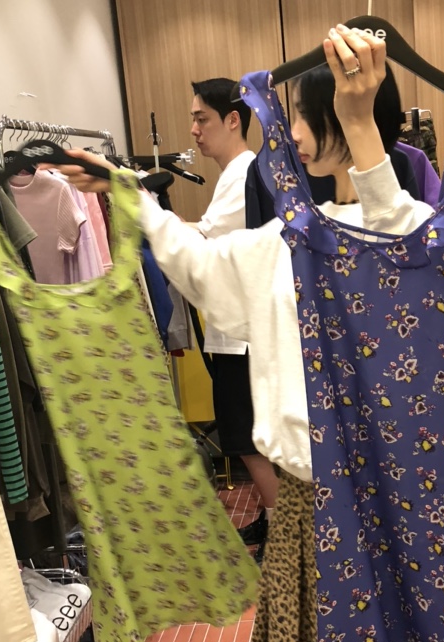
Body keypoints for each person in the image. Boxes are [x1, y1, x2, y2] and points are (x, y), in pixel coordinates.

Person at [49, 25, 444, 642]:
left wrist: (360, 124)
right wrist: (127, 195)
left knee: (424, 622)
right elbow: (198, 267)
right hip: (302, 484)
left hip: (398, 493)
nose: (292, 133)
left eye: (304, 117)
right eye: (295, 116)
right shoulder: (281, 242)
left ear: (345, 119)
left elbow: (391, 235)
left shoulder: (415, 231)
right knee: (298, 635)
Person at [189, 76, 278, 552]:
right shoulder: (238, 174)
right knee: (250, 435)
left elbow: (201, 240)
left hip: (242, 335)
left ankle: (284, 534)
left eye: (202, 119)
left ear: (232, 120)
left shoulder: (243, 172)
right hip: (242, 329)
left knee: (245, 438)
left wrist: (146, 219)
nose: (195, 130)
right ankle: (273, 518)